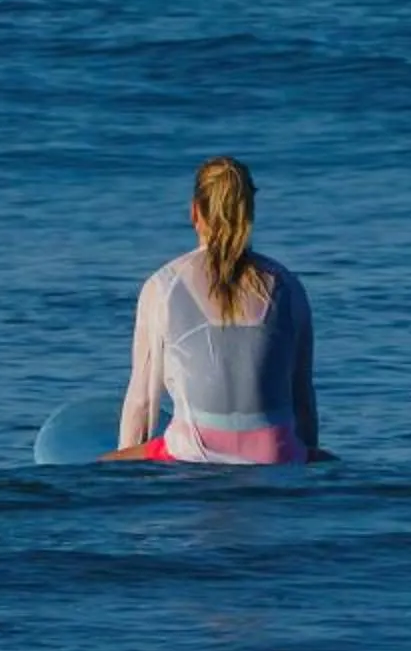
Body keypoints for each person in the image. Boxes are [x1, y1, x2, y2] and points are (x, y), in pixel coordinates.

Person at [109, 156, 319, 464]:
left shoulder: (165, 286)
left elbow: (142, 402)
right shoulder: (288, 286)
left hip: (192, 454)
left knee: (105, 463)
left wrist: (122, 467)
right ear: (250, 213)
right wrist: (307, 466)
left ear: (195, 212)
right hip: (276, 455)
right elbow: (303, 401)